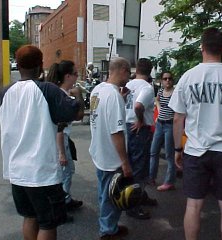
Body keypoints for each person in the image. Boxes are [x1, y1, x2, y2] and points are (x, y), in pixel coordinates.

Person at [168, 28, 222, 240]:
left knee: (194, 205)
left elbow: (178, 118)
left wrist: (178, 148)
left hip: (196, 150)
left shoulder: (189, 77)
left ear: (202, 47)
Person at [0, 45, 84, 240]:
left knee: (30, 216)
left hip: (16, 171)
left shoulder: (6, 93)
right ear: (40, 65)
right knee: (48, 223)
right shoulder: (47, 90)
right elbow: (76, 113)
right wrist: (77, 94)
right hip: (41, 172)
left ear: (18, 66)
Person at [89, 57, 133, 240]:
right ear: (122, 70)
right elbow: (116, 132)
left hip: (99, 152)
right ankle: (107, 230)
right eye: (129, 73)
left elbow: (101, 116)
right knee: (112, 195)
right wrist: (125, 162)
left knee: (104, 193)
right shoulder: (113, 96)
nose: (129, 77)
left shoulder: (98, 90)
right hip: (111, 156)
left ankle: (109, 226)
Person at [46, 60, 83, 211]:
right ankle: (62, 204)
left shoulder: (61, 94)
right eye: (75, 74)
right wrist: (61, 152)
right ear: (67, 76)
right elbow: (61, 126)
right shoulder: (61, 96)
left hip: (61, 139)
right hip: (60, 140)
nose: (77, 78)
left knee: (65, 172)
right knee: (65, 173)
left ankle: (65, 200)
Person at [125, 58, 157, 220]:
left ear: (136, 69)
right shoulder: (147, 88)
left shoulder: (128, 85)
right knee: (139, 167)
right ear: (150, 71)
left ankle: (140, 196)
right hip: (139, 129)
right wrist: (140, 119)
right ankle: (133, 205)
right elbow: (138, 106)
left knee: (131, 164)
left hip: (126, 127)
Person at [149, 71, 176, 191]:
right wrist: (159, 111)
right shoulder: (160, 91)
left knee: (169, 154)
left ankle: (169, 181)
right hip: (160, 124)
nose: (167, 80)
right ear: (161, 81)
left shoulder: (175, 93)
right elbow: (157, 100)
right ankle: (151, 177)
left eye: (169, 78)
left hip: (170, 125)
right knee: (154, 151)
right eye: (165, 79)